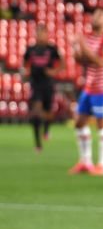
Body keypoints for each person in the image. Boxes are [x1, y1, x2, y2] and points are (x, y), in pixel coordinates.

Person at [68, 8, 103, 177]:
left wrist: (81, 45)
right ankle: (85, 162)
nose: (97, 16)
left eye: (102, 15)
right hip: (88, 88)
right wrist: (76, 46)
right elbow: (81, 60)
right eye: (95, 14)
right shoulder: (88, 38)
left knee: (102, 125)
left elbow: (100, 61)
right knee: (80, 123)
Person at [23, 24, 63, 153]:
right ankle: (38, 144)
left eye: (43, 33)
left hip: (48, 85)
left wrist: (53, 71)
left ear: (46, 35)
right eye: (38, 33)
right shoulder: (31, 49)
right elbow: (24, 64)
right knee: (36, 111)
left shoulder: (52, 49)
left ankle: (46, 129)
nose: (40, 36)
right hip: (36, 84)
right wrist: (26, 71)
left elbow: (62, 63)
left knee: (48, 114)